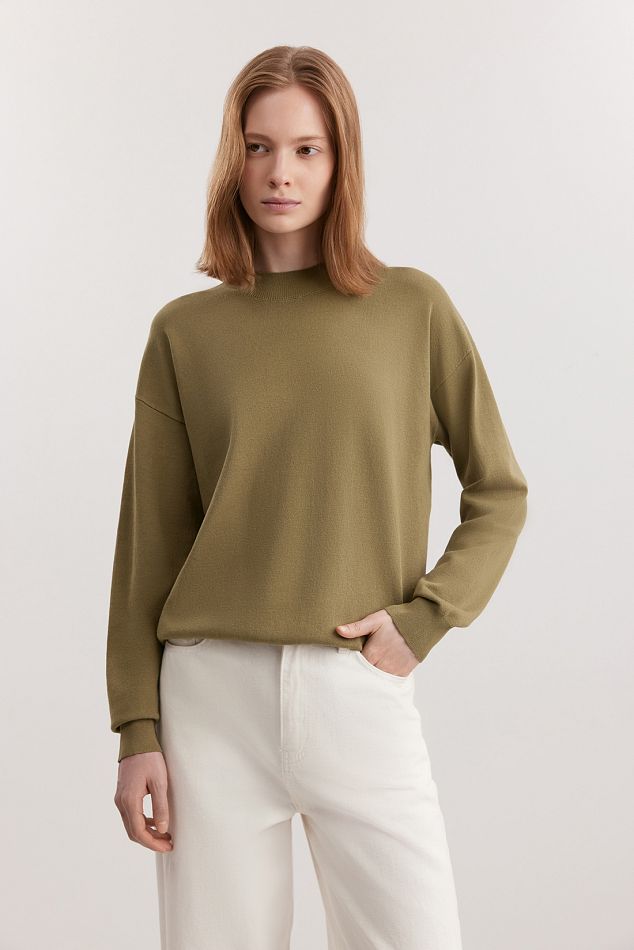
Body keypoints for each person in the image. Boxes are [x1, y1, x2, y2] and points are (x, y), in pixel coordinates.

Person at [106, 44, 528, 950]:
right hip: (210, 700)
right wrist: (137, 728)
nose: (280, 174)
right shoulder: (185, 332)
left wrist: (427, 618)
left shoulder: (410, 308)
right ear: (233, 159)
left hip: (358, 686)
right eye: (258, 147)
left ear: (342, 162)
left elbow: (499, 488)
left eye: (307, 149)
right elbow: (149, 545)